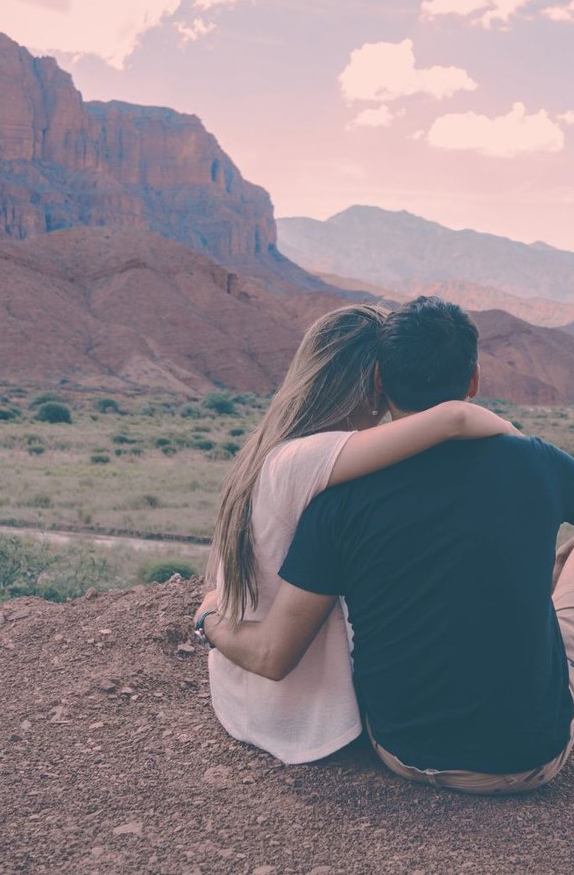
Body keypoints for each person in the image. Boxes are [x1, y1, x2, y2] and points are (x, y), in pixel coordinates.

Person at [196, 296, 574, 794]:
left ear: (379, 383)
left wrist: (210, 616)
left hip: (397, 751)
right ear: (473, 380)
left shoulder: (336, 497)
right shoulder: (533, 461)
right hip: (527, 759)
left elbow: (275, 648)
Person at [203, 303, 522, 765]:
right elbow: (453, 420)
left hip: (247, 699)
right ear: (378, 381)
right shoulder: (309, 458)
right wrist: (515, 442)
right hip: (310, 719)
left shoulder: (271, 451)